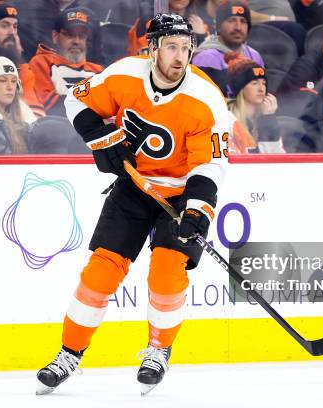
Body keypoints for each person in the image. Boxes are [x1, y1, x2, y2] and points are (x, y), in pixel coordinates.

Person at [35, 13, 229, 396]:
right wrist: (100, 137)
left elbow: (210, 164)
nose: (180, 56)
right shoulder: (125, 73)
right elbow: (76, 101)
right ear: (152, 48)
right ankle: (69, 354)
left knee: (167, 274)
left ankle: (158, 352)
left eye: (186, 48)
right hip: (133, 189)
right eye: (171, 46)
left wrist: (196, 211)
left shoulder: (206, 100)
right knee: (100, 274)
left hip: (178, 193)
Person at [29, 7, 104, 117]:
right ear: (55, 36)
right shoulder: (41, 62)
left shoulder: (99, 71)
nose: (76, 41)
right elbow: (47, 105)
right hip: (58, 127)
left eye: (82, 36)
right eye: (70, 35)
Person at [192, 0, 264, 96]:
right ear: (218, 27)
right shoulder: (205, 58)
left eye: (243, 21)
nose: (238, 27)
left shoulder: (254, 56)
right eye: (231, 21)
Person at [225, 52, 282, 153]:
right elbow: (260, 161)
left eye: (264, 83)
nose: (261, 89)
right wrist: (268, 121)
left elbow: (279, 158)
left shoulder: (266, 117)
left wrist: (268, 119)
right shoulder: (227, 121)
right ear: (240, 88)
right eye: (254, 83)